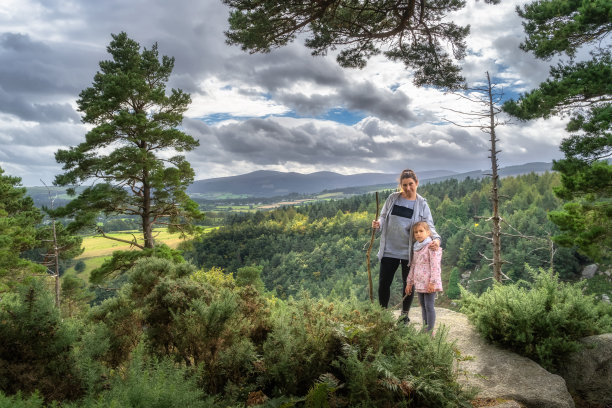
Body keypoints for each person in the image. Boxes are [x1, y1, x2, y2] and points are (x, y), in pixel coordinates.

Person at [372, 169, 440, 323]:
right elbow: (383, 217)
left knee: (408, 284)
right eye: (404, 185)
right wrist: (378, 224)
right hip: (389, 250)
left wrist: (436, 239)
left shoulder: (422, 204)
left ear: (416, 183)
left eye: (411, 184)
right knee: (384, 283)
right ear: (400, 185)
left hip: (411, 252)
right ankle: (383, 315)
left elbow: (429, 225)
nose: (408, 188)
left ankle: (404, 316)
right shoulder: (393, 198)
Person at [405, 221, 443, 333]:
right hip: (419, 283)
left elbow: (435, 266)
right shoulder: (416, 248)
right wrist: (409, 283)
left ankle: (430, 331)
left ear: (428, 232)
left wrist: (433, 282)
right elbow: (413, 266)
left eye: (421, 231)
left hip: (429, 283)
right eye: (415, 232)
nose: (418, 234)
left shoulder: (431, 246)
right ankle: (424, 328)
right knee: (423, 306)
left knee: (429, 306)